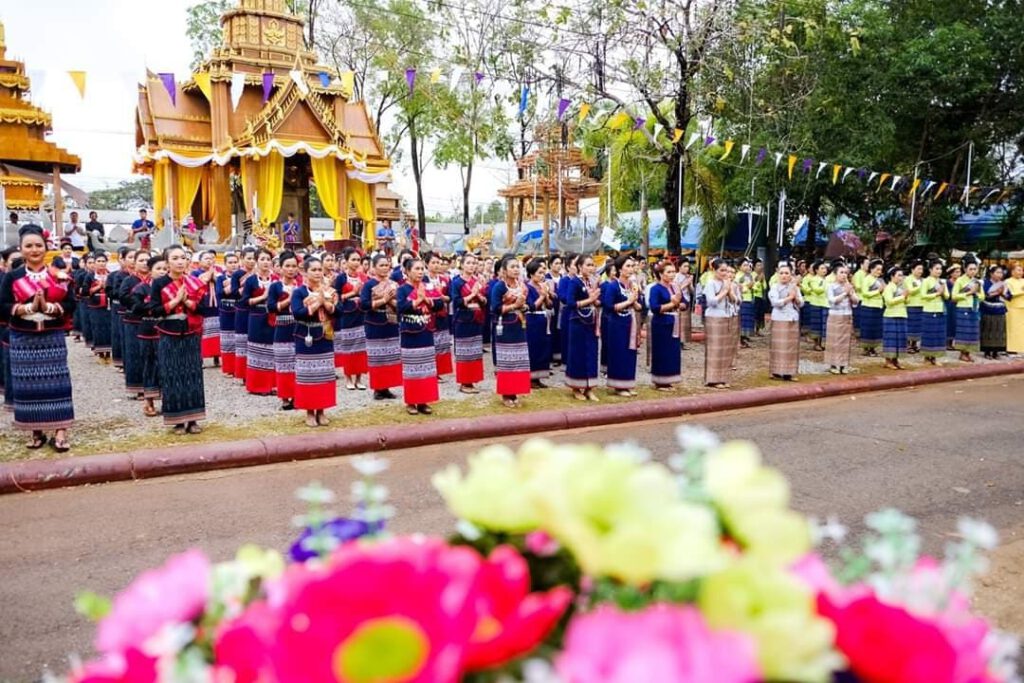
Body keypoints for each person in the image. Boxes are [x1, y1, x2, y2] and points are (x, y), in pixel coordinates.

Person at [0, 225, 76, 451]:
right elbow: (2, 305)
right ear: (21, 249)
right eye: (29, 246)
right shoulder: (12, 277)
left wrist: (50, 307)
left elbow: (71, 303)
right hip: (23, 336)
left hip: (52, 335)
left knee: (58, 381)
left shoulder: (58, 275)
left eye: (38, 245)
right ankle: (36, 430)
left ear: (46, 247)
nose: (34, 250)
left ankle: (61, 430)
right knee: (28, 384)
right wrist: (26, 309)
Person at [147, 246, 207, 434]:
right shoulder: (159, 283)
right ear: (167, 263)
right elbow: (154, 310)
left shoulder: (194, 282)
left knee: (193, 374)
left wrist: (187, 301)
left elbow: (204, 308)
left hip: (191, 331)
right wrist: (175, 301)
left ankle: (193, 418)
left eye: (183, 258)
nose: (180, 262)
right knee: (172, 374)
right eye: (175, 258)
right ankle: (177, 420)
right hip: (169, 332)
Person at [290, 256, 338, 427]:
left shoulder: (329, 291)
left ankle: (322, 410)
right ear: (305, 272)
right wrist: (319, 303)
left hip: (325, 335)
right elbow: (298, 313)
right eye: (313, 270)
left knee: (324, 374)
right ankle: (309, 412)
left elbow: (338, 311)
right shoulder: (299, 292)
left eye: (319, 270)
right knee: (308, 375)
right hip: (306, 336)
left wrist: (328, 304)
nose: (317, 273)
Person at [397, 257, 443, 414]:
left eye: (422, 268)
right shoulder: (402, 289)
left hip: (426, 330)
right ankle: (411, 402)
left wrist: (428, 301)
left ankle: (423, 401)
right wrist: (417, 301)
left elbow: (439, 304)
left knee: (426, 367)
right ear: (407, 271)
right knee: (411, 368)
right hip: (410, 332)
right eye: (416, 269)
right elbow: (401, 308)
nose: (420, 272)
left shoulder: (428, 286)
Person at [490, 255, 532, 408]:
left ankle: (515, 391)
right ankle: (506, 394)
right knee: (507, 360)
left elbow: (529, 305)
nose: (516, 270)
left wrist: (524, 306)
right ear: (504, 270)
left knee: (518, 360)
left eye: (517, 267)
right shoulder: (499, 287)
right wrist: (515, 306)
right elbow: (495, 308)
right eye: (512, 267)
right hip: (505, 326)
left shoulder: (522, 286)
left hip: (519, 325)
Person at [361, 254, 402, 400]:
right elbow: (364, 304)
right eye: (381, 265)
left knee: (390, 356)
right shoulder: (369, 285)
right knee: (377, 357)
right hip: (374, 323)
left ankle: (387, 387)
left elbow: (401, 303)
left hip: (391, 322)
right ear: (374, 267)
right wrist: (384, 299)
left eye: (386, 265)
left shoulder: (394, 284)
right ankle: (378, 388)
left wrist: (390, 301)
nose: (385, 268)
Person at [600, 255, 642, 396]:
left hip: (630, 321)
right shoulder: (613, 286)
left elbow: (638, 306)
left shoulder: (632, 285)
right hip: (616, 323)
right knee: (619, 352)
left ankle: (628, 383)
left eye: (632, 266)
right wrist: (628, 302)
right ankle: (618, 385)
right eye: (627, 266)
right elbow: (608, 306)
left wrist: (634, 301)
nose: (631, 269)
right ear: (620, 269)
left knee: (630, 351)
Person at [240, 248, 278, 395]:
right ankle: (258, 386)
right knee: (258, 351)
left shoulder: (276, 279)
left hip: (273, 317)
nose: (265, 262)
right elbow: (244, 301)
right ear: (257, 261)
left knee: (273, 350)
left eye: (268, 259)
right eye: (262, 259)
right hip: (256, 317)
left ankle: (273, 385)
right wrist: (263, 297)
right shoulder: (250, 280)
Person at [565, 254, 602, 401]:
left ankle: (589, 387)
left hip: (591, 321)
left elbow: (596, 301)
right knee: (578, 353)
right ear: (580, 267)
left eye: (592, 265)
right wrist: (589, 300)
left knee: (592, 353)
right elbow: (570, 303)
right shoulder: (574, 282)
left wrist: (596, 300)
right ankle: (576, 387)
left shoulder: (592, 282)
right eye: (588, 265)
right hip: (578, 321)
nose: (591, 268)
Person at [268, 251, 299, 410]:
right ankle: (285, 398)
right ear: (280, 268)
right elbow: (271, 307)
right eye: (287, 266)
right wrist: (289, 299)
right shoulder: (275, 286)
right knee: (283, 363)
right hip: (282, 327)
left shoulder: (301, 285)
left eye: (294, 266)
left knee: (298, 363)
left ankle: (298, 396)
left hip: (299, 327)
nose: (291, 269)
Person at [450, 253, 486, 394]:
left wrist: (480, 297)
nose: (472, 266)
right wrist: (472, 295)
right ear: (462, 265)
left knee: (475, 351)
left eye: (474, 263)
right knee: (464, 352)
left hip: (476, 319)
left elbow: (485, 301)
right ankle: (464, 382)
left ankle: (472, 380)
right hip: (463, 319)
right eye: (468, 263)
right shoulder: (457, 282)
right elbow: (457, 301)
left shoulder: (478, 281)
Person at [335, 247, 369, 391]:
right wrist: (353, 293)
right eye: (353, 259)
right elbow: (336, 297)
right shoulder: (341, 278)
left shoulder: (364, 278)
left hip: (361, 314)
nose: (356, 262)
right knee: (348, 347)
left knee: (361, 347)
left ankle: (359, 378)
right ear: (346, 261)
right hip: (347, 315)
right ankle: (348, 377)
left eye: (358, 260)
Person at [119, 251, 149, 401]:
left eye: (147, 260)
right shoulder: (129, 280)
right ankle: (138, 388)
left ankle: (152, 387)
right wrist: (139, 302)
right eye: (141, 260)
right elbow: (123, 297)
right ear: (135, 263)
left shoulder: (155, 280)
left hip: (151, 321)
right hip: (133, 320)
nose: (144, 263)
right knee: (135, 353)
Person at [648, 260, 683, 390]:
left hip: (674, 321)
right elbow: (655, 307)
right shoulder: (655, 289)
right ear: (661, 274)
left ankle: (670, 378)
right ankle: (660, 380)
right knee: (661, 350)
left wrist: (678, 304)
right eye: (669, 272)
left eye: (674, 272)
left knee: (672, 351)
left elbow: (684, 303)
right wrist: (672, 304)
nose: (672, 274)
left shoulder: (675, 287)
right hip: (661, 322)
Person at [703, 257, 738, 388]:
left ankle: (723, 377)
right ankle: (713, 379)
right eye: (722, 270)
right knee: (715, 348)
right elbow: (711, 301)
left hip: (726, 316)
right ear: (714, 270)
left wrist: (730, 292)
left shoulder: (727, 283)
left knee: (725, 348)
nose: (724, 273)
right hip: (714, 317)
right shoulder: (710, 283)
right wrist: (724, 291)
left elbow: (735, 300)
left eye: (726, 271)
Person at [768, 262, 803, 381]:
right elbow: (775, 303)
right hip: (779, 318)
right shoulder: (774, 287)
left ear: (791, 275)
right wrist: (789, 298)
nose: (784, 275)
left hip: (792, 318)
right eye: (782, 273)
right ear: (778, 274)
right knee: (779, 346)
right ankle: (776, 371)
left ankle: (789, 372)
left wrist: (796, 297)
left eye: (787, 273)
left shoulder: (795, 288)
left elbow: (801, 303)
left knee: (791, 346)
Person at [825, 264, 859, 374]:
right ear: (835, 274)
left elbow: (856, 301)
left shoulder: (848, 286)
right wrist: (845, 293)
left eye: (845, 273)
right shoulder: (831, 286)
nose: (844, 275)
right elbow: (832, 300)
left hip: (847, 314)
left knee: (845, 341)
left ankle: (844, 364)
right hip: (835, 315)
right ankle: (833, 364)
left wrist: (851, 293)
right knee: (834, 340)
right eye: (841, 272)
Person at [525, 258, 553, 388]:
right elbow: (531, 306)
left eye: (543, 273)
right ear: (531, 274)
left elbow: (549, 305)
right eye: (539, 273)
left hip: (543, 320)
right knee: (533, 348)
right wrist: (541, 296)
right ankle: (530, 378)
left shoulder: (542, 286)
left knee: (543, 347)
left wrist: (546, 296)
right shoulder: (527, 287)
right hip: (532, 320)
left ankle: (538, 377)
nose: (542, 276)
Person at [425, 252, 453, 380]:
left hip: (442, 314)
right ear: (427, 264)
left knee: (441, 343)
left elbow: (450, 297)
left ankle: (439, 370)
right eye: (433, 262)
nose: (436, 265)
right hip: (427, 315)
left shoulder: (445, 279)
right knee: (430, 342)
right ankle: (430, 370)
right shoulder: (423, 279)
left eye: (438, 263)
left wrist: (440, 296)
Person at [231, 247, 257, 382]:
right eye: (249, 258)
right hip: (242, 310)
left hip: (257, 310)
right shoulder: (237, 274)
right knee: (243, 341)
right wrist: (246, 288)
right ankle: (243, 374)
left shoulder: (260, 274)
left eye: (254, 258)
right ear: (242, 259)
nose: (252, 261)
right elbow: (234, 292)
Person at [192, 250, 220, 366]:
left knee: (217, 331)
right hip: (203, 304)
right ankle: (201, 359)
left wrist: (214, 274)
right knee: (203, 332)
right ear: (199, 261)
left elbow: (220, 282)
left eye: (211, 258)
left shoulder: (217, 271)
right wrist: (210, 273)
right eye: (206, 258)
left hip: (215, 305)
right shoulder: (195, 273)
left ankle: (216, 356)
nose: (209, 261)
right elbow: (199, 283)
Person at [952, 259, 982, 362]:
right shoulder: (960, 280)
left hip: (974, 307)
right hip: (963, 307)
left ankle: (968, 352)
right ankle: (962, 353)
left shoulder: (977, 282)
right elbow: (954, 296)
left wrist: (976, 294)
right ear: (965, 269)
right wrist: (968, 293)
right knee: (964, 331)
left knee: (972, 331)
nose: (973, 271)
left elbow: (982, 296)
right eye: (970, 269)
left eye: (974, 269)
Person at [215, 252, 240, 376]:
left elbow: (239, 293)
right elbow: (220, 293)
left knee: (239, 341)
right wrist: (233, 286)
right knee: (227, 341)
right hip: (225, 312)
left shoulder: (242, 277)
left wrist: (230, 286)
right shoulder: (220, 278)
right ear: (225, 264)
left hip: (239, 312)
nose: (233, 265)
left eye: (235, 262)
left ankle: (238, 368)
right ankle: (229, 368)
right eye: (230, 262)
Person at [920, 259, 949, 365]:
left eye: (940, 269)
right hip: (929, 310)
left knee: (938, 334)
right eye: (936, 269)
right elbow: (923, 295)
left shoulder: (942, 282)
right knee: (929, 334)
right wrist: (936, 294)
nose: (939, 271)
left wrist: (943, 292)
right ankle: (927, 357)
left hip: (940, 309)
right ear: (930, 269)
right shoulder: (926, 281)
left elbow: (947, 296)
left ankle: (935, 357)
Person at [85, 252, 112, 360]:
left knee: (109, 327)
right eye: (99, 261)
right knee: (97, 327)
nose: (101, 263)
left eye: (103, 261)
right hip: (95, 306)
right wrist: (99, 287)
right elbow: (85, 291)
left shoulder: (110, 275)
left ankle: (109, 352)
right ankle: (100, 352)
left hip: (108, 305)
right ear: (95, 263)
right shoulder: (90, 276)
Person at [882, 266, 910, 370]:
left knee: (899, 338)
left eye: (902, 275)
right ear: (892, 276)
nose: (901, 278)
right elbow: (889, 301)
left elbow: (907, 301)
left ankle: (896, 360)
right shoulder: (889, 287)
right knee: (891, 338)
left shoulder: (901, 287)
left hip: (902, 314)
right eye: (899, 275)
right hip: (891, 315)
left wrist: (906, 297)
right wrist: (902, 297)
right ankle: (888, 360)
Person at [980, 265, 1008, 359]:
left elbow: (1009, 296)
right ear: (991, 274)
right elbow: (984, 296)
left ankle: (996, 351)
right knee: (988, 330)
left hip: (1000, 309)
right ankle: (987, 352)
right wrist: (996, 292)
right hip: (987, 308)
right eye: (997, 272)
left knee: (999, 331)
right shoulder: (985, 283)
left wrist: (1003, 293)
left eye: (1001, 273)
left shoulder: (1003, 284)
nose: (1000, 275)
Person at [858, 259, 885, 356]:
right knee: (867, 328)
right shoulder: (867, 279)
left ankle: (873, 348)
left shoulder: (880, 280)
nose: (879, 272)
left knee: (875, 328)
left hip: (878, 306)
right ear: (871, 269)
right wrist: (878, 291)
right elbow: (865, 293)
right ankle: (866, 349)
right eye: (877, 269)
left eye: (880, 270)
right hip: (868, 307)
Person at [546, 254, 565, 366]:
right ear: (550, 265)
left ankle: (559, 355)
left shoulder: (563, 278)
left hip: (561, 308)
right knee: (551, 329)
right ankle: (550, 355)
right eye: (556, 263)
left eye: (560, 263)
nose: (558, 266)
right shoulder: (546, 277)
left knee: (560, 330)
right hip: (551, 308)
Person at [905, 260, 925, 354]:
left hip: (921, 304)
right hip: (911, 305)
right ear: (912, 269)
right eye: (918, 269)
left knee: (918, 326)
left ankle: (914, 344)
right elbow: (910, 291)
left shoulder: (922, 280)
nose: (921, 271)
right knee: (911, 325)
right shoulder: (908, 279)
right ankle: (908, 345)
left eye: (921, 269)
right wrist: (921, 286)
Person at [737, 258, 756, 348]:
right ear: (739, 267)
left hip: (749, 299)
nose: (747, 267)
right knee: (742, 320)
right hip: (743, 299)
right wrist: (748, 286)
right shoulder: (738, 276)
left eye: (748, 265)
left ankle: (744, 337)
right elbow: (738, 288)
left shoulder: (749, 276)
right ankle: (740, 339)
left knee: (747, 320)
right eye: (744, 265)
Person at [1006, 263, 1024, 354]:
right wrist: (1022, 291)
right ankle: (1011, 348)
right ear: (1012, 272)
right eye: (1018, 270)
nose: (1021, 272)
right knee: (1012, 328)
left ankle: (1021, 347)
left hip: (1022, 307)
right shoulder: (1008, 282)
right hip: (1012, 308)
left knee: (1021, 329)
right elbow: (1010, 295)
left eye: (1022, 270)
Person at [945, 263, 962, 349]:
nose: (958, 274)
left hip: (958, 304)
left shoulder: (960, 282)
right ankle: (947, 342)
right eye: (956, 272)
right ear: (951, 273)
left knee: (956, 323)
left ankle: (953, 342)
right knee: (949, 322)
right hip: (950, 304)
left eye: (959, 272)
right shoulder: (948, 283)